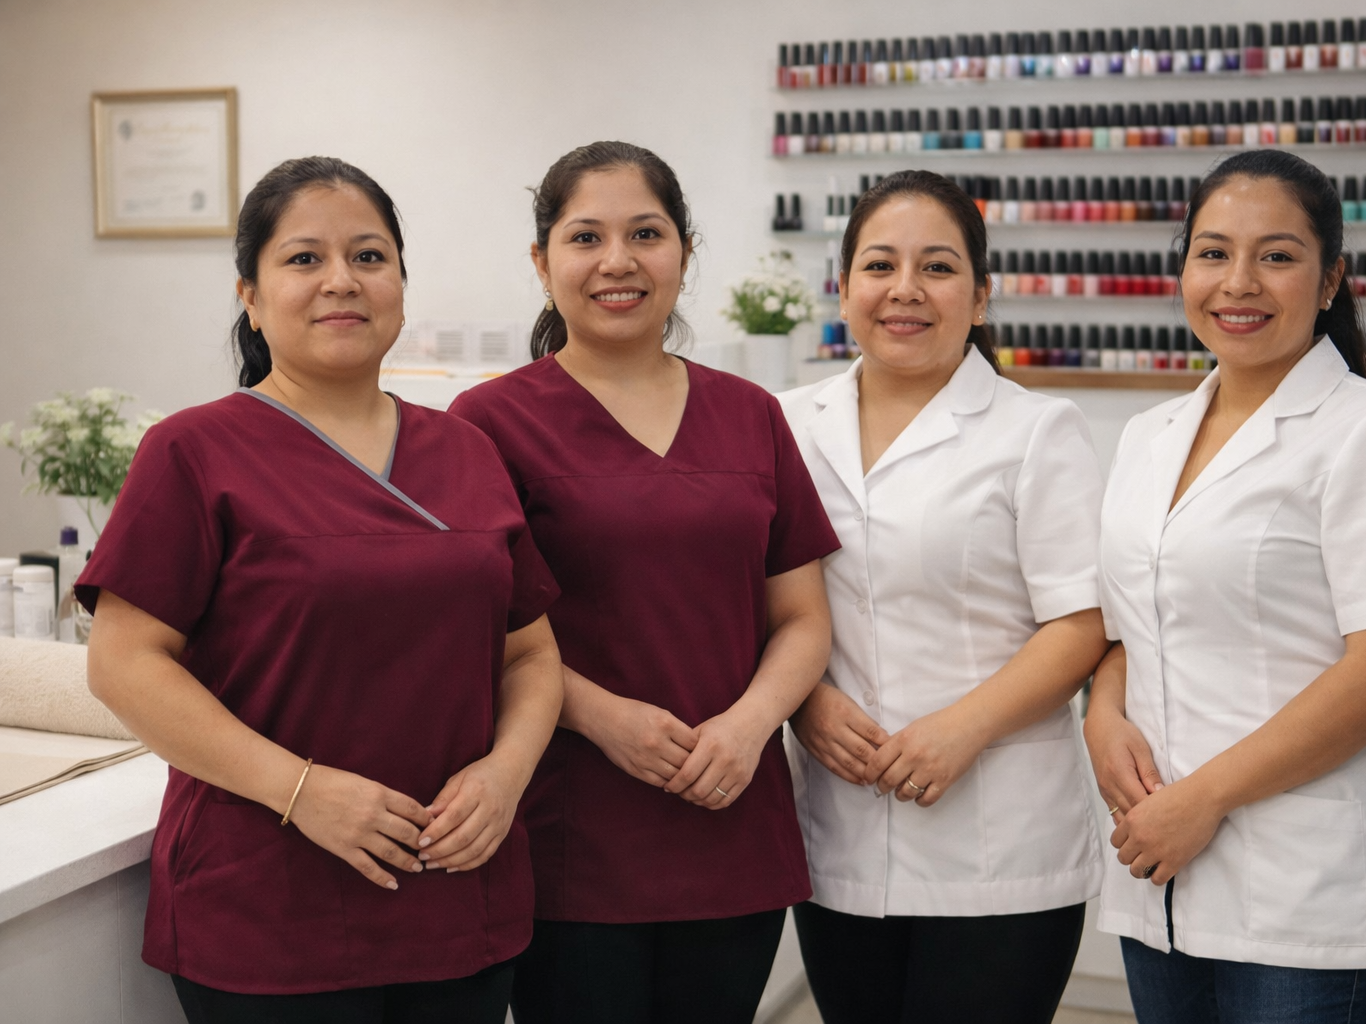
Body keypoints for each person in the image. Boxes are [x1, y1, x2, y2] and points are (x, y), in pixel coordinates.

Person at [78, 157, 564, 1023]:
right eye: (304, 259)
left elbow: (528, 653)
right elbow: (124, 664)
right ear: (252, 297)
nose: (342, 280)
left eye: (370, 257)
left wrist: (505, 775)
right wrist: (301, 790)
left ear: (402, 287)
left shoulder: (465, 451)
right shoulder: (193, 452)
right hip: (269, 906)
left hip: (454, 888)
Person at [448, 141, 839, 1024]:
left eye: (646, 234)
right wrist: (602, 717)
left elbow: (803, 616)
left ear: (685, 255)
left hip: (731, 815)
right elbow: (484, 630)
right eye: (586, 237)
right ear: (544, 262)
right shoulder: (487, 423)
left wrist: (748, 727)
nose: (617, 262)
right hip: (572, 827)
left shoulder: (752, 414)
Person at [1085, 149, 1366, 1024]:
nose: (1237, 282)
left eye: (1277, 256)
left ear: (1331, 279)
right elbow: (1129, 621)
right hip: (1160, 876)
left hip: (1308, 893)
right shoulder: (1149, 435)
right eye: (1212, 253)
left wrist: (1202, 798)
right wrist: (1102, 718)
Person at [778, 169, 1110, 1024]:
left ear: (981, 294)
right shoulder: (781, 423)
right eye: (880, 265)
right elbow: (759, 602)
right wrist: (804, 703)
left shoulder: (1037, 431)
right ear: (844, 286)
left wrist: (961, 728)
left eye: (938, 267)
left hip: (999, 841)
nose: (905, 291)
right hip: (839, 829)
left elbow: (1080, 623)